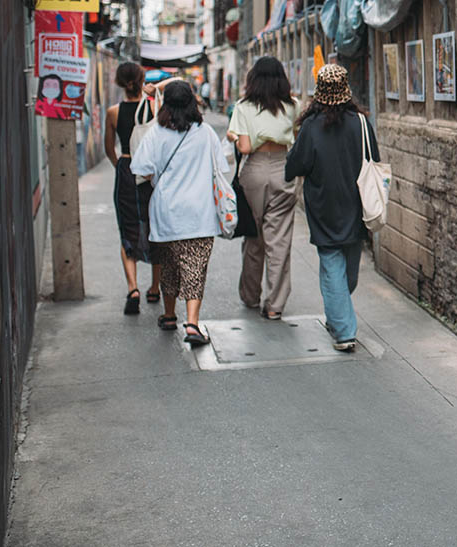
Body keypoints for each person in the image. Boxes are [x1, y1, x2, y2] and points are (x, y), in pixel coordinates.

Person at [131, 80, 230, 347]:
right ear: (191, 102)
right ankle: (192, 324)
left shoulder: (155, 133)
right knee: (195, 268)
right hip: (199, 212)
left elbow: (140, 168)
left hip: (166, 212)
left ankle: (169, 314)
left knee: (170, 266)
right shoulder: (206, 132)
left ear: (165, 104)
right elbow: (221, 166)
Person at [286, 65, 377, 352]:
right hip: (355, 204)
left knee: (337, 270)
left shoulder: (311, 127)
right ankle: (344, 329)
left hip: (324, 205)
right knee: (344, 267)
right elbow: (374, 158)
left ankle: (338, 314)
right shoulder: (361, 124)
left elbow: (295, 166)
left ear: (319, 92)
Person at [228, 57, 299, 320]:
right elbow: (296, 137)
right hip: (283, 168)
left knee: (253, 235)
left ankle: (250, 295)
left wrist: (234, 137)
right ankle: (274, 305)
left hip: (254, 170)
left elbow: (244, 148)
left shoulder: (244, 107)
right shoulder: (292, 105)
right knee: (279, 240)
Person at [104, 62, 163, 314]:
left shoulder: (113, 112)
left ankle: (133, 288)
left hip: (127, 171)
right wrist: (154, 89)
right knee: (155, 227)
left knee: (128, 227)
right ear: (142, 80)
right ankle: (154, 287)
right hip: (150, 174)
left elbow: (110, 148)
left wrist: (121, 164)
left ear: (118, 82)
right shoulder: (153, 107)